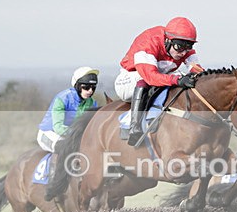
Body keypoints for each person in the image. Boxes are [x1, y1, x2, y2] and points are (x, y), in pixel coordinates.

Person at [114, 17, 205, 146]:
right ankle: (134, 127)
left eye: (188, 48)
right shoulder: (148, 42)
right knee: (146, 80)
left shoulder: (182, 45)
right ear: (167, 40)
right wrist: (177, 80)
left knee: (185, 77)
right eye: (179, 47)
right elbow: (151, 77)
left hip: (158, 77)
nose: (183, 52)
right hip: (129, 80)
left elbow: (197, 70)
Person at [37, 67, 99, 153]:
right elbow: (58, 127)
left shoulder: (92, 103)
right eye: (86, 87)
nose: (90, 91)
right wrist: (78, 134)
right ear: (77, 85)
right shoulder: (63, 99)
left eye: (93, 88)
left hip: (71, 136)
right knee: (66, 150)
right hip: (49, 133)